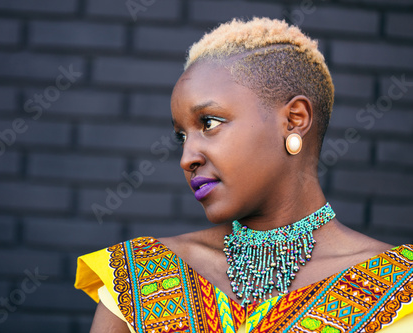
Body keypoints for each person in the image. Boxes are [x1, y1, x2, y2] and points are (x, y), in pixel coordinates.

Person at [75, 17, 413, 332]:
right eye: (182, 136)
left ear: (294, 120)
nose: (186, 158)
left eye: (209, 123)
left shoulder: (400, 289)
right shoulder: (137, 278)